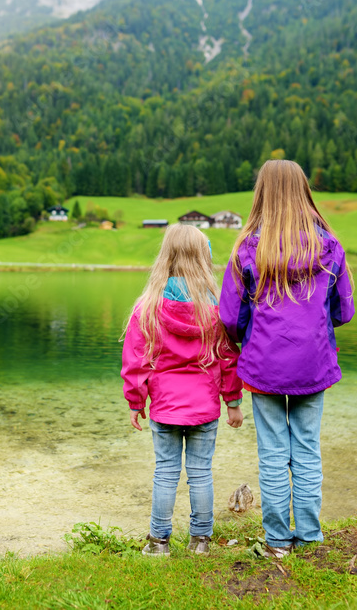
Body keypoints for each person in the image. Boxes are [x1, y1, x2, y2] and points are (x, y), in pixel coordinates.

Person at [219, 159, 355, 559]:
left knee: (274, 453)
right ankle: (310, 537)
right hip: (314, 363)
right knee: (308, 448)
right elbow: (344, 312)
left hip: (264, 365)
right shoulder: (328, 245)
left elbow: (229, 315)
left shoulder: (247, 247)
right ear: (303, 192)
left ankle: (278, 541)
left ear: (262, 193)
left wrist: (248, 335)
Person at [122, 223, 244, 556]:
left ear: (166, 257)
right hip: (204, 407)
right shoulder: (217, 309)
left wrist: (136, 403)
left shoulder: (147, 308)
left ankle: (158, 543)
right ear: (204, 258)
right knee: (201, 473)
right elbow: (228, 359)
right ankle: (200, 542)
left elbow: (136, 362)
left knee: (165, 473)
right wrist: (233, 401)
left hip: (165, 407)